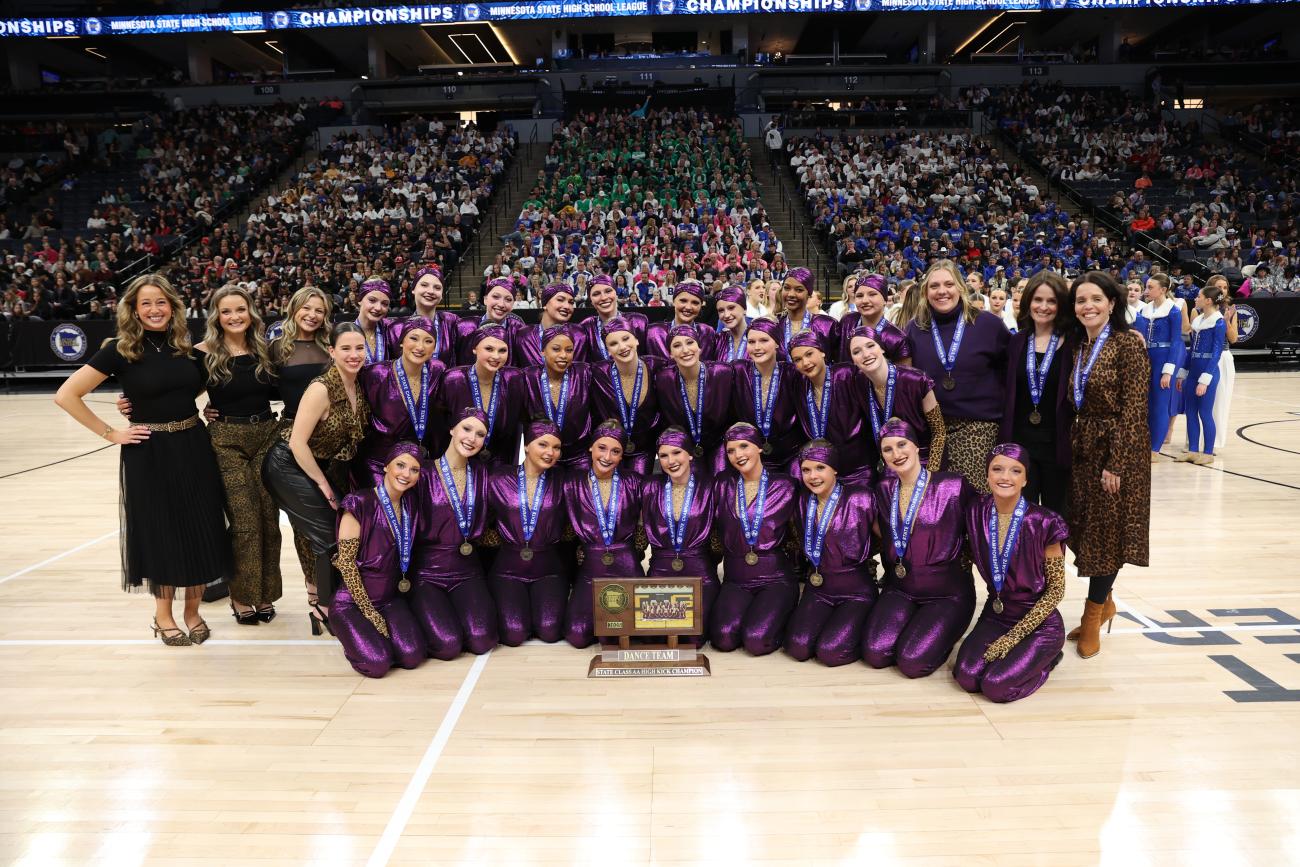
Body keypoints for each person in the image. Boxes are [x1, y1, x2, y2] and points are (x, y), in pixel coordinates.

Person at [55, 273, 231, 646]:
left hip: (193, 445)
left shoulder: (190, 349)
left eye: (161, 302)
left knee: (201, 527)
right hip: (148, 452)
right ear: (133, 310)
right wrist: (112, 432)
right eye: (146, 303)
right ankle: (163, 616)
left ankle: (192, 611)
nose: (155, 310)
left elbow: (192, 389)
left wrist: (211, 410)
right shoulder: (119, 350)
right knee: (160, 534)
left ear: (173, 307)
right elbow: (67, 395)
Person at [262, 322, 371, 636]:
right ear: (332, 352)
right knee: (328, 533)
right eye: (346, 348)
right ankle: (326, 607)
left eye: (359, 348)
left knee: (338, 530)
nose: (354, 355)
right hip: (287, 465)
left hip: (317, 466)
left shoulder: (359, 384)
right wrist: (323, 485)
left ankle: (326, 604)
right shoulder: (321, 388)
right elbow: (297, 442)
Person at [1066, 271, 1150, 659]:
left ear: (1112, 303)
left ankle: (1093, 612)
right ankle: (1107, 600)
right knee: (1081, 529)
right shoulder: (1079, 347)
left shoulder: (1127, 345)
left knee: (1106, 536)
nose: (1088, 306)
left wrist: (1116, 463)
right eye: (1081, 300)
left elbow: (1134, 410)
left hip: (1116, 450)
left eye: (1095, 299)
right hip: (1084, 447)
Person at [954, 444, 1070, 703]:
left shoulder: (1046, 522)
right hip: (996, 615)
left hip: (1039, 623)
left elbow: (1056, 590)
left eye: (1015, 471)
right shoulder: (975, 512)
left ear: (1026, 478)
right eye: (997, 469)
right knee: (967, 677)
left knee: (996, 687)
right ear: (987, 475)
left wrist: (1011, 639)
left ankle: (1047, 661)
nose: (1005, 477)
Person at [861, 421, 976, 677]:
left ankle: (940, 634)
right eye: (887, 450)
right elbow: (885, 532)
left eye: (902, 445)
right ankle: (916, 626)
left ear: (916, 446)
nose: (897, 454)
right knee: (875, 653)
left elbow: (980, 523)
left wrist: (966, 559)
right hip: (901, 589)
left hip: (946, 594)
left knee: (912, 663)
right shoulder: (883, 490)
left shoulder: (952, 486)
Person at [197, 284, 282, 624]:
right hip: (226, 439)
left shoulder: (265, 349)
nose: (234, 316)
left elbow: (286, 386)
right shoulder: (202, 353)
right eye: (227, 311)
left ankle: (265, 595)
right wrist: (129, 403)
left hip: (265, 434)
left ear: (251, 312)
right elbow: (174, 390)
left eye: (240, 309)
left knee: (269, 520)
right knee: (245, 522)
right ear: (216, 316)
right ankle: (241, 596)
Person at [905, 260, 1009, 492]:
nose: (942, 291)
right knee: (935, 507)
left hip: (977, 429)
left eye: (949, 284)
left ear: (961, 288)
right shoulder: (915, 327)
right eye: (934, 286)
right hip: (932, 432)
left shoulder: (988, 325)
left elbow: (1009, 375)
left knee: (973, 504)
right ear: (925, 292)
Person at [408, 408, 498, 659]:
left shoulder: (483, 474)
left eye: (480, 434)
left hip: (467, 571)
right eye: (467, 429)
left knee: (481, 640)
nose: (472, 438)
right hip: (428, 573)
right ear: (452, 429)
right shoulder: (422, 473)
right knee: (448, 646)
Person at [331, 443, 428, 678]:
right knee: (378, 664)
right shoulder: (359, 504)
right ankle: (357, 643)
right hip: (353, 602)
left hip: (389, 599)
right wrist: (370, 613)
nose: (406, 474)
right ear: (386, 467)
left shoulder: (411, 505)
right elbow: (346, 563)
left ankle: (378, 643)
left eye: (414, 470)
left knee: (413, 656)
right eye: (401, 465)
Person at [783, 441, 878, 667]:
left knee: (829, 652)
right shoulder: (802, 501)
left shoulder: (861, 497)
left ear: (834, 468)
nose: (813, 476)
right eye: (806, 470)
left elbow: (887, 537)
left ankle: (862, 630)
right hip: (819, 589)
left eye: (820, 468)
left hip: (855, 592)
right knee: (797, 647)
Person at [710, 423, 799, 656]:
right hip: (736, 579)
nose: (738, 455)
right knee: (724, 638)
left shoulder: (785, 485)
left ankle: (782, 616)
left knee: (756, 640)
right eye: (730, 450)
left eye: (743, 446)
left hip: (775, 578)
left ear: (759, 447)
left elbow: (801, 531)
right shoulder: (722, 484)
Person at [485, 420, 571, 646]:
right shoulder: (498, 478)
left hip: (549, 569)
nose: (550, 452)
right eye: (543, 445)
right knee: (514, 634)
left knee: (550, 631)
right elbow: (481, 519)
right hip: (508, 570)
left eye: (556, 447)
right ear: (526, 446)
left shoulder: (563, 480)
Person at [562, 420, 647, 648]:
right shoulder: (571, 482)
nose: (607, 457)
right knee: (577, 635)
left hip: (626, 564)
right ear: (591, 447)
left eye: (615, 451)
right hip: (591, 566)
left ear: (622, 456)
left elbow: (644, 524)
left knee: (638, 631)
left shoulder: (635, 482)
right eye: (602, 448)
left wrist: (637, 549)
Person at [999, 271, 1074, 517]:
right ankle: (1026, 559)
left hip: (1059, 446)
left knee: (1056, 519)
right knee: (1021, 519)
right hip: (1021, 446)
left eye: (1051, 301)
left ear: (1061, 304)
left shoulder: (1074, 343)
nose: (1043, 307)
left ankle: (1055, 559)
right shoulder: (1016, 342)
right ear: (1027, 301)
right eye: (1037, 300)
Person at [643, 428, 719, 642]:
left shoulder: (710, 485)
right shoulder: (649, 487)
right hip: (662, 572)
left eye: (676, 453)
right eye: (664, 455)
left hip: (699, 574)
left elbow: (718, 535)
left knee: (691, 638)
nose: (670, 461)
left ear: (689, 454)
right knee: (654, 638)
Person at [356, 317, 447, 485]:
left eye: (428, 341)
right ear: (401, 341)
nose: (420, 347)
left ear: (434, 347)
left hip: (417, 463)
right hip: (379, 463)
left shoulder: (437, 370)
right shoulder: (375, 374)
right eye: (413, 338)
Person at [848, 325, 944, 472]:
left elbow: (939, 432)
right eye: (857, 352)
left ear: (882, 348)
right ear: (853, 360)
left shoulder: (916, 381)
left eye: (870, 346)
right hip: (889, 464)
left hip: (923, 462)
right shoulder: (858, 383)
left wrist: (932, 472)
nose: (866, 354)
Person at [789, 331, 873, 484]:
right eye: (798, 360)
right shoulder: (799, 386)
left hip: (857, 472)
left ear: (822, 352)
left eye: (809, 354)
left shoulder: (847, 375)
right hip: (821, 474)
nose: (805, 363)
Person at [438, 324, 525, 467]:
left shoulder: (514, 380)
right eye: (489, 349)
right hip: (459, 463)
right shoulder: (453, 380)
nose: (496, 356)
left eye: (502, 350)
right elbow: (441, 427)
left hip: (499, 466)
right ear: (474, 348)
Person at [655, 325, 735, 476]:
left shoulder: (722, 373)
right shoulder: (663, 379)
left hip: (719, 444)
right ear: (670, 353)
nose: (685, 350)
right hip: (685, 446)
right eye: (677, 345)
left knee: (721, 480)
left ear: (699, 347)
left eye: (690, 343)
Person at [590, 316, 662, 475]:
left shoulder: (657, 366)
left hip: (644, 449)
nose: (622, 347)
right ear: (608, 350)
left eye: (625, 338)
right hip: (610, 449)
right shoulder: (597, 372)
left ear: (636, 340)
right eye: (614, 343)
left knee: (637, 493)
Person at [729, 317, 801, 469]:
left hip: (790, 456)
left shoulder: (792, 373)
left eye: (763, 340)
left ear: (776, 342)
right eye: (751, 342)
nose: (757, 347)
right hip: (750, 457)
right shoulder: (738, 370)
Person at [522, 324, 593, 468]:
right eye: (556, 349)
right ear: (542, 351)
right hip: (542, 457)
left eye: (569, 350)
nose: (563, 355)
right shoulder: (528, 377)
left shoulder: (584, 373)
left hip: (579, 457)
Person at [1177, 284, 1228, 466]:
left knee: (1205, 412)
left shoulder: (1218, 322)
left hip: (1209, 372)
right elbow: (1192, 351)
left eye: (1198, 296)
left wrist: (1205, 380)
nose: (1195, 298)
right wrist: (1183, 373)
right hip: (1193, 372)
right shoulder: (1197, 321)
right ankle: (1192, 451)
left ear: (1208, 301)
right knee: (1190, 412)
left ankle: (1207, 452)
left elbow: (1216, 353)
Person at [1140, 273, 1185, 459]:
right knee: (1145, 405)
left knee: (1159, 404)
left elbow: (1176, 342)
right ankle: (1144, 444)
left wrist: (1168, 370)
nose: (1146, 290)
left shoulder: (1173, 311)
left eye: (1150, 287)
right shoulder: (1143, 310)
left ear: (1163, 290)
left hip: (1163, 359)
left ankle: (1155, 449)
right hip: (1145, 358)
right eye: (1147, 286)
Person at [835, 274, 911, 365]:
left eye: (872, 294)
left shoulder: (896, 338)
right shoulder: (847, 322)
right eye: (859, 296)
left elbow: (904, 375)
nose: (865, 300)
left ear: (885, 299)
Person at [393, 265, 459, 368]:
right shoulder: (396, 328)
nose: (431, 291)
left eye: (437, 287)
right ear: (413, 289)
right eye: (424, 285)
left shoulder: (452, 322)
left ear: (442, 295)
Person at [513, 282, 586, 367]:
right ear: (545, 304)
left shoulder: (579, 335)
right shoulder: (524, 336)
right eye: (560, 300)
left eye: (571, 302)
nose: (567, 306)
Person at [581, 274, 648, 363]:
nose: (604, 298)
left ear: (616, 294)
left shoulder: (638, 322)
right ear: (591, 300)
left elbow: (647, 361)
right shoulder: (586, 327)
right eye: (596, 294)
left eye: (608, 291)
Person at [455, 277, 521, 365]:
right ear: (485, 299)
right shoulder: (464, 327)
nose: (501, 304)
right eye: (496, 297)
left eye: (508, 300)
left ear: (513, 304)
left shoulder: (518, 330)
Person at [644, 282, 716, 359]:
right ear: (674, 301)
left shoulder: (707, 332)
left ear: (701, 306)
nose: (688, 307)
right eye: (683, 301)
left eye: (695, 303)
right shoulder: (654, 332)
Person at [778, 267, 837, 361]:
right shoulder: (775, 325)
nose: (791, 294)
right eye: (787, 288)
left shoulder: (827, 325)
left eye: (799, 290)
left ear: (809, 294)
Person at [1206, 274, 1236, 451]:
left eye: (1225, 288)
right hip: (1203, 356)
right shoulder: (1199, 308)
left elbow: (1233, 339)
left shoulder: (1231, 309)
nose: (1222, 291)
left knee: (1220, 401)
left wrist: (1226, 321)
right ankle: (1195, 441)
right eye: (1219, 287)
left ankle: (1215, 441)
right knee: (1201, 401)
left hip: (1223, 358)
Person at [354, 276, 394, 365]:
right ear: (359, 300)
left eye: (385, 304)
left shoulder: (391, 332)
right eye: (372, 300)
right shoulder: (345, 333)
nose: (378, 308)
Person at [711, 285, 751, 362]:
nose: (726, 315)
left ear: (745, 309)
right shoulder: (717, 341)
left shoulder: (759, 338)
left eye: (731, 308)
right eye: (721, 310)